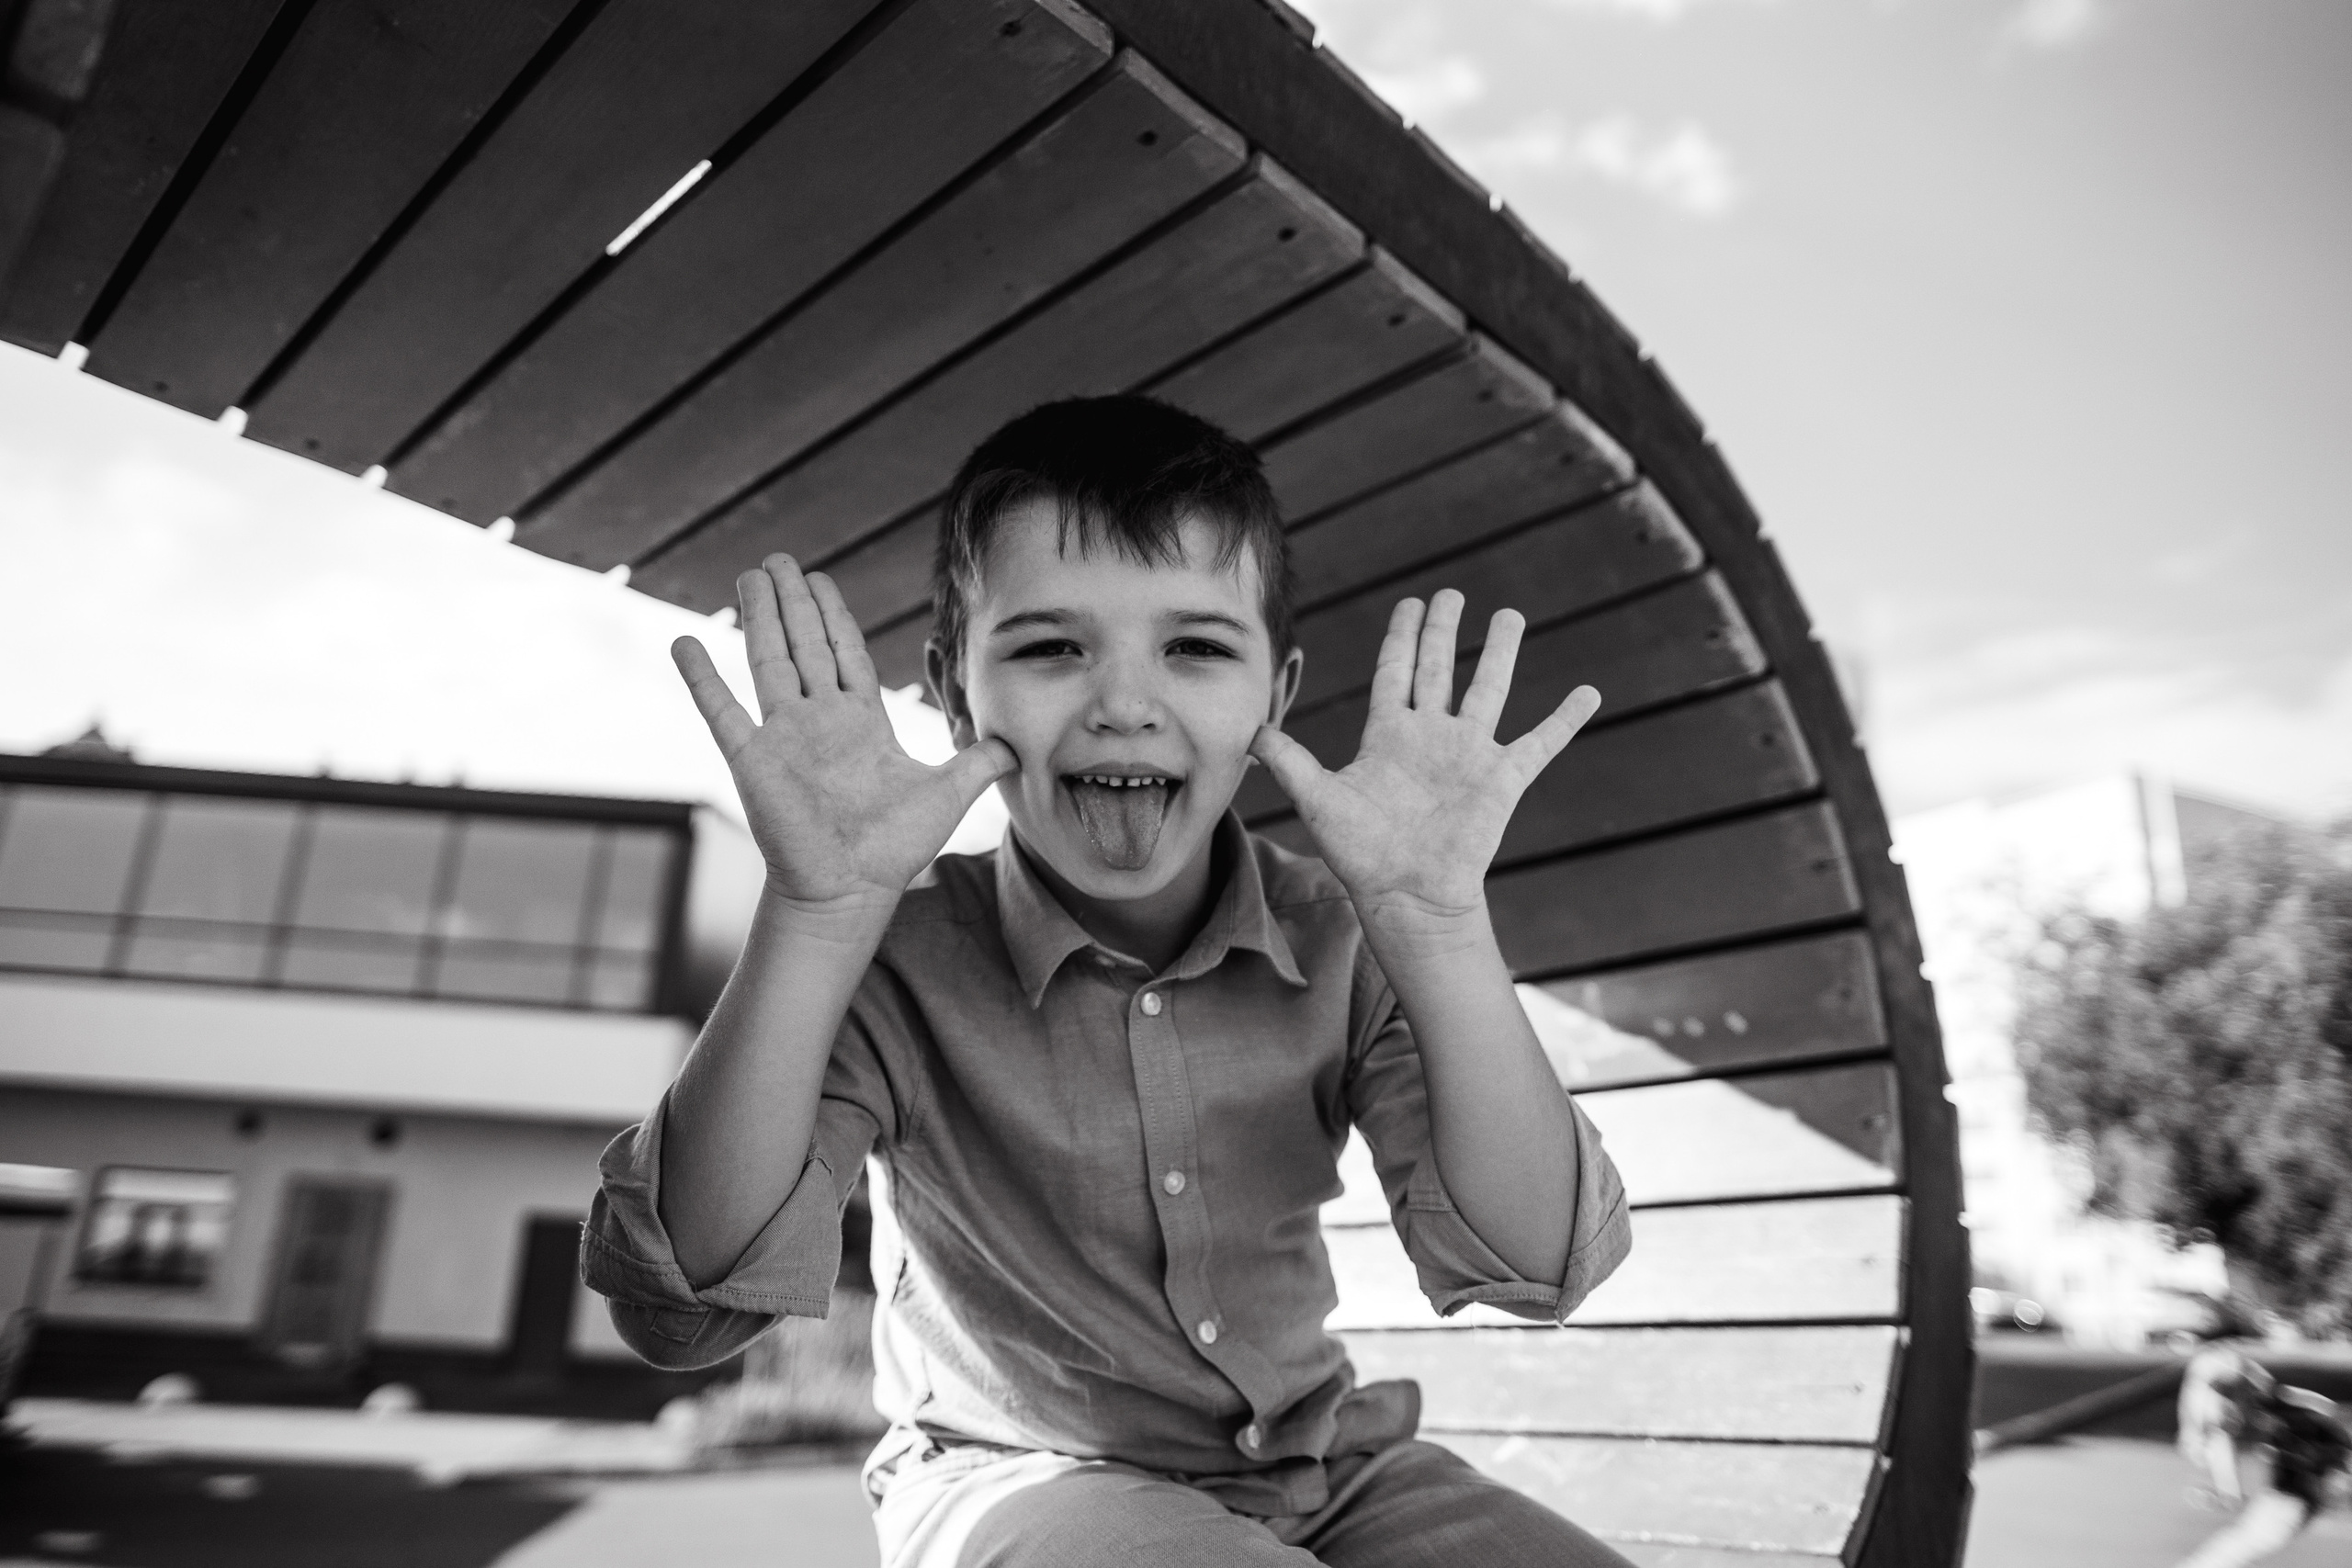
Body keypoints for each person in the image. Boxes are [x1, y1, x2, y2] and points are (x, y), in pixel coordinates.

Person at [582, 396, 1634, 1566]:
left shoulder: (1348, 933)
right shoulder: (886, 953)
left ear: (1273, 700)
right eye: (1047, 647)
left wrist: (1436, 927)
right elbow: (679, 1307)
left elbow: (1537, 1263)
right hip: (1015, 1479)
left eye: (1193, 647)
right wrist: (815, 913)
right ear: (951, 688)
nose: (1123, 703)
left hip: (1326, 1470)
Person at [2175, 1346, 2350, 1568]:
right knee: (2234, 1547)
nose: (2227, 1404)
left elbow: (2335, 1443)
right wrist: (2227, 1489)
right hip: (2290, 1494)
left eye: (2230, 1393)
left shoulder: (2297, 1411)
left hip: (2299, 1495)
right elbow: (2223, 1438)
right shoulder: (2260, 1410)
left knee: (2239, 1546)